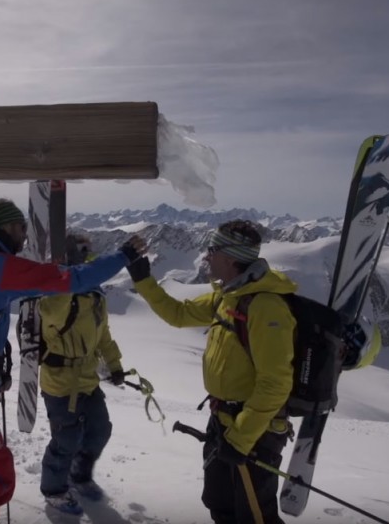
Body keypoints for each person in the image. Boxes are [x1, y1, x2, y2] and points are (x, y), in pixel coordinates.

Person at [0, 198, 145, 523]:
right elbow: (67, 281)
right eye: (21, 228)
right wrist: (123, 255)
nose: (24, 239)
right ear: (6, 226)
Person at [126, 219, 295, 524]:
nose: (206, 256)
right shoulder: (227, 296)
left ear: (231, 258)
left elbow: (275, 384)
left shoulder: (265, 306)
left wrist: (241, 439)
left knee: (255, 517)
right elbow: (178, 315)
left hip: (254, 433)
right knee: (221, 506)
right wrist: (143, 280)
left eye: (212, 250)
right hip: (222, 422)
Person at [37, 233, 127, 515]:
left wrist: (115, 365)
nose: (90, 257)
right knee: (66, 439)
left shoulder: (96, 295)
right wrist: (67, 279)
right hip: (60, 379)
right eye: (84, 253)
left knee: (100, 430)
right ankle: (54, 490)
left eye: (90, 252)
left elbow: (104, 336)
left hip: (87, 377)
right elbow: (50, 315)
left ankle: (79, 474)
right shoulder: (56, 294)